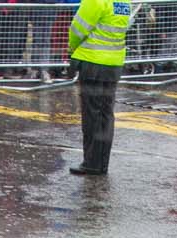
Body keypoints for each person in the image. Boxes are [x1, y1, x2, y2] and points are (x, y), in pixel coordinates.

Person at [67, 0, 131, 176]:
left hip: (93, 62)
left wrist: (72, 48)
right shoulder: (124, 2)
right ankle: (101, 163)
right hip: (114, 63)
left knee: (92, 115)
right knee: (105, 114)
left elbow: (78, 29)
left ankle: (91, 163)